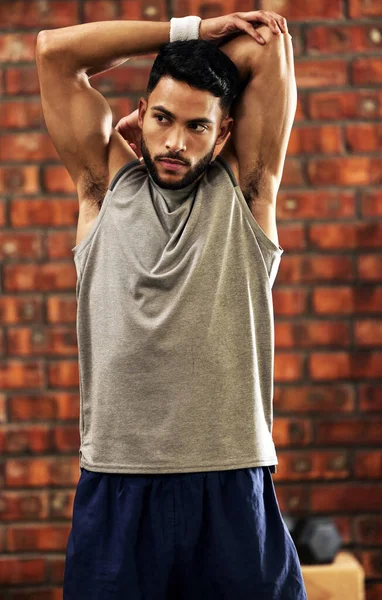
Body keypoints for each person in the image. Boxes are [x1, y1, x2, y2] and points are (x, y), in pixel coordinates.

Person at [36, 10, 305, 599]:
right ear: (142, 109)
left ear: (225, 132)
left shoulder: (247, 193)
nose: (176, 142)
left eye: (197, 126)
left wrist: (194, 73)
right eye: (162, 118)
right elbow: (54, 53)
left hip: (232, 485)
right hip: (118, 486)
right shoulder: (101, 187)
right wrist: (191, 33)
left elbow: (268, 47)